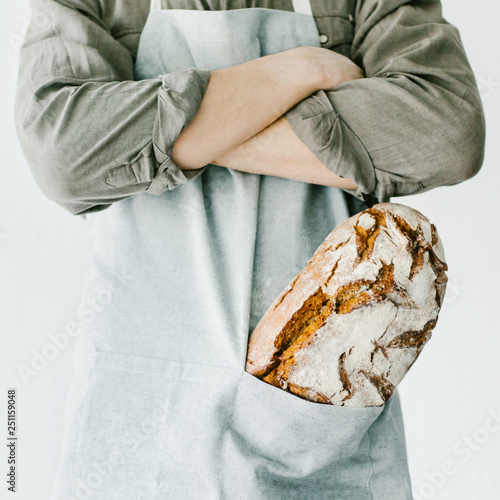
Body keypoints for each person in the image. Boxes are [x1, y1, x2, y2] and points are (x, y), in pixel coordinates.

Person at [14, 0, 485, 498]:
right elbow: (63, 150)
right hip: (145, 394)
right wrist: (301, 70)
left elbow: (447, 130)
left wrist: (171, 134)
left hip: (321, 397)